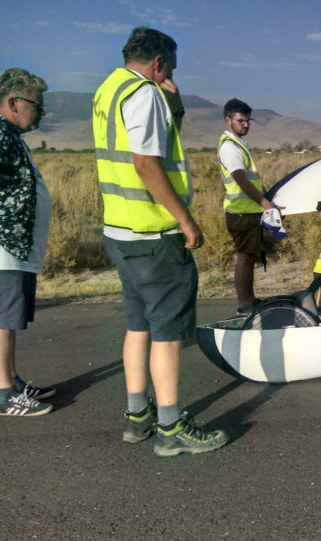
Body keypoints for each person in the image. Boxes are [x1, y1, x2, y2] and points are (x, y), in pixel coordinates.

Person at [94, 27, 227, 456]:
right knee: (167, 333)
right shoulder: (145, 94)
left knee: (138, 325)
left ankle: (139, 417)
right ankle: (171, 427)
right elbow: (146, 165)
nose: (170, 75)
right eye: (171, 68)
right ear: (159, 64)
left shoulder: (107, 91)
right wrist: (185, 219)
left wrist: (176, 106)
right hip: (155, 235)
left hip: (120, 231)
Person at [0, 68, 56, 416]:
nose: (40, 111)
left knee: (7, 319)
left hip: (12, 248)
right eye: (35, 104)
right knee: (0, 319)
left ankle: (11, 383)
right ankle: (3, 396)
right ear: (13, 103)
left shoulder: (8, 135)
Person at [217, 98, 282, 317]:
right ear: (228, 120)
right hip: (241, 212)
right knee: (245, 258)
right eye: (240, 120)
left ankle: (249, 300)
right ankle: (245, 305)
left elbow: (251, 181)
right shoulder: (230, 147)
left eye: (247, 120)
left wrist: (267, 202)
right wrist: (264, 203)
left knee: (248, 256)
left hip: (248, 211)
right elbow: (241, 179)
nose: (246, 124)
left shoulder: (239, 144)